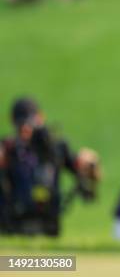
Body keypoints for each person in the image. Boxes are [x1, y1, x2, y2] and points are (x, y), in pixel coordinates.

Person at [0, 97, 100, 236]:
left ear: (41, 118)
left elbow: (87, 181)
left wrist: (90, 166)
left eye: (30, 124)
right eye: (21, 124)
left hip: (49, 225)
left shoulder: (55, 148)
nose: (26, 129)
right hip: (12, 225)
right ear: (13, 122)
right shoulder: (7, 148)